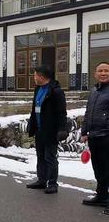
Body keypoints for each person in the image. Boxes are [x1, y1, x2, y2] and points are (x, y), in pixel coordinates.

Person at [26, 65, 68, 194]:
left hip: (50, 131)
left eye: (35, 75)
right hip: (39, 130)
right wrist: (31, 124)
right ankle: (42, 180)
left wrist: (62, 129)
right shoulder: (38, 89)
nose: (34, 77)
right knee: (40, 156)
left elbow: (62, 112)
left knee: (50, 157)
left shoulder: (56, 91)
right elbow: (35, 109)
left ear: (41, 77)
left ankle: (52, 183)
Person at [80, 61, 109, 207]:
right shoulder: (94, 91)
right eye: (101, 71)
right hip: (94, 136)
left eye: (106, 71)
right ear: (95, 74)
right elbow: (88, 112)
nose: (103, 73)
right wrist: (84, 131)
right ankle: (102, 196)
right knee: (98, 168)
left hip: (106, 136)